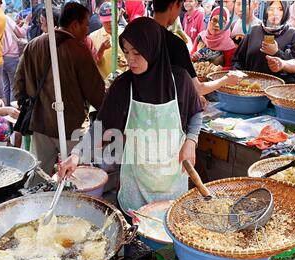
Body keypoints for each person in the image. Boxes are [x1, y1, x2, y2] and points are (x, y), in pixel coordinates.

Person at [58, 17, 202, 212]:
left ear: (153, 49)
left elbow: (195, 114)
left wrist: (191, 142)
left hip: (172, 181)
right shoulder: (124, 86)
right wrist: (76, 155)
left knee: (168, 229)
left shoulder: (180, 80)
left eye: (137, 52)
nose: (130, 59)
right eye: (126, 52)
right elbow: (100, 127)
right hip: (136, 184)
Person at [14, 2, 105, 174]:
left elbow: (18, 84)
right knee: (76, 175)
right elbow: (96, 92)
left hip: (40, 124)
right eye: (86, 25)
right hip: (71, 126)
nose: (87, 29)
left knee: (39, 175)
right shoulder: (79, 49)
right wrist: (107, 111)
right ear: (75, 25)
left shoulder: (33, 45)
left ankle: (36, 200)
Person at [154, 0, 242, 99]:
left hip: (215, 89)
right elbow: (190, 61)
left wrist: (214, 73)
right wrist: (193, 57)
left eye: (222, 22)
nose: (217, 25)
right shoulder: (201, 37)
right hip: (195, 85)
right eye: (214, 20)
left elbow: (230, 67)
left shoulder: (228, 44)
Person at [232, 1, 295, 83]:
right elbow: (238, 60)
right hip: (251, 87)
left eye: (280, 9)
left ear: (286, 11)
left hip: (278, 90)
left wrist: (277, 53)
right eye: (271, 9)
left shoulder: (292, 33)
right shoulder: (253, 30)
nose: (275, 13)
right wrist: (237, 76)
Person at [89, 1, 127, 80]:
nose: (109, 24)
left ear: (117, 17)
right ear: (100, 20)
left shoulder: (125, 34)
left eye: (111, 20)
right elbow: (91, 64)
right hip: (103, 85)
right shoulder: (93, 37)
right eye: (106, 22)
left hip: (124, 81)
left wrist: (127, 63)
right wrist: (101, 50)